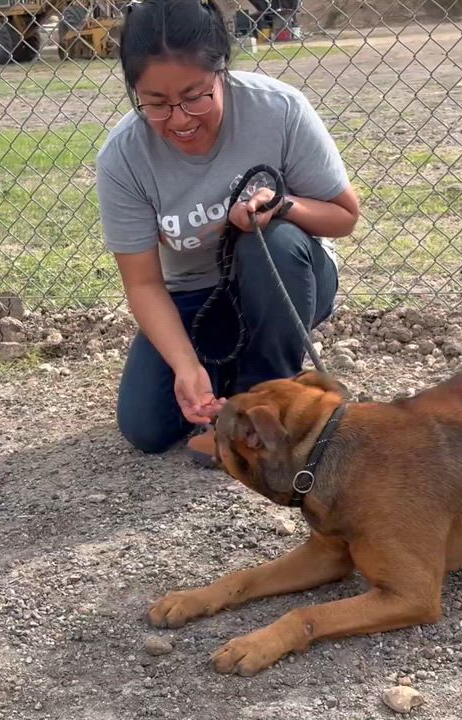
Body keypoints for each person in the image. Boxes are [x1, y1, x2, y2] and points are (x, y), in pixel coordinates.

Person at [95, 0, 361, 463]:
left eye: (196, 95)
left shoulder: (277, 109)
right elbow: (142, 283)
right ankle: (229, 374)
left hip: (289, 280)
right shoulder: (122, 157)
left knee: (272, 242)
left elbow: (344, 216)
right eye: (155, 103)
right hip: (197, 296)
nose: (179, 119)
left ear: (222, 70)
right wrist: (184, 366)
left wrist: (283, 206)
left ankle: (264, 406)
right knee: (147, 427)